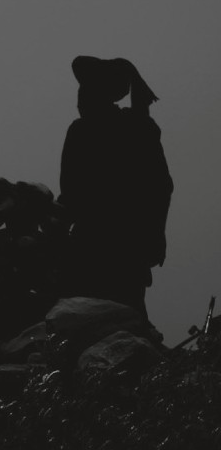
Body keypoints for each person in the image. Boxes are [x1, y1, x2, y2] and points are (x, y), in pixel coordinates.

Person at [58, 56, 173, 320]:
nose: (79, 104)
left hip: (98, 243)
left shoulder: (82, 131)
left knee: (92, 315)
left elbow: (71, 194)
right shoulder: (140, 127)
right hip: (130, 243)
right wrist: (155, 234)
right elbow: (161, 188)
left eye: (83, 96)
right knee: (126, 313)